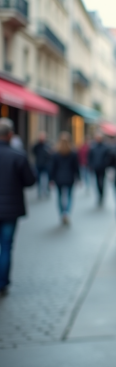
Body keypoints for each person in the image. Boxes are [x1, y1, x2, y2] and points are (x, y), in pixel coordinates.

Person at [0, 118, 36, 295]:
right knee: (6, 245)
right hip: (10, 209)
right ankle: (3, 282)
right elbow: (30, 181)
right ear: (10, 135)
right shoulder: (18, 155)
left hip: (10, 208)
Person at [49, 132, 80, 225]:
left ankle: (62, 212)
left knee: (59, 196)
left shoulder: (55, 153)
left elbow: (52, 167)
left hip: (58, 178)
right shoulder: (73, 153)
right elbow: (76, 167)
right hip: (69, 177)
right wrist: (78, 177)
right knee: (69, 196)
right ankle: (66, 212)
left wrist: (50, 179)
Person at [88, 133, 110, 206]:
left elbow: (108, 157)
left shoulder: (105, 147)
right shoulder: (93, 147)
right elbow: (90, 157)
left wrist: (106, 164)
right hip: (96, 168)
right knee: (97, 182)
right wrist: (91, 165)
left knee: (102, 182)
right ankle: (99, 195)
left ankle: (102, 195)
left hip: (102, 168)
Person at [31, 131, 52, 198]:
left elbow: (51, 154)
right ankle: (39, 192)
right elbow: (33, 151)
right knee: (39, 179)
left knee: (47, 178)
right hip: (38, 164)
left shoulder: (47, 145)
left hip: (46, 164)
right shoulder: (37, 145)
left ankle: (47, 191)